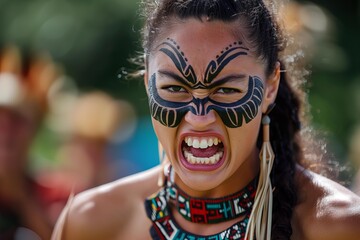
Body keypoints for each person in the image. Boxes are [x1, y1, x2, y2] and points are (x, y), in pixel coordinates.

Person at [51, 0, 360, 239]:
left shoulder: (338, 226)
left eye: (226, 89)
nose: (199, 117)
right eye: (174, 88)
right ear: (148, 84)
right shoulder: (90, 222)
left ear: (270, 87)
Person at [0, 45, 69, 240]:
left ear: (35, 129)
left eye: (16, 121)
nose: (5, 132)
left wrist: (20, 196)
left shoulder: (57, 194)